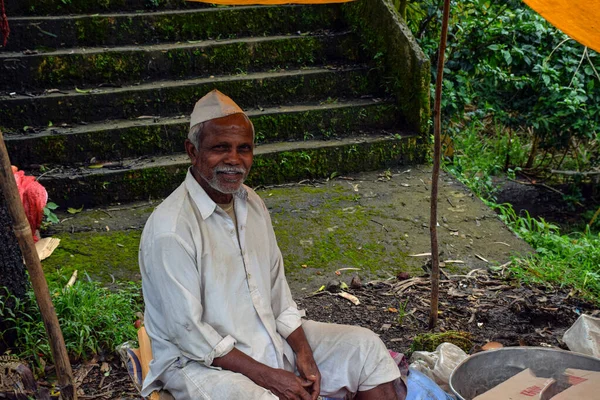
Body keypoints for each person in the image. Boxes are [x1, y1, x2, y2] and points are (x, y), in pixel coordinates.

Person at [139, 89, 406, 400]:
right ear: (192, 151)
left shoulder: (251, 204)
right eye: (220, 148)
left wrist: (303, 353)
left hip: (266, 336)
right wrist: (269, 377)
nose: (234, 160)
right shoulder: (170, 230)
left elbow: (278, 294)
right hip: (199, 365)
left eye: (244, 149)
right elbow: (191, 336)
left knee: (366, 348)